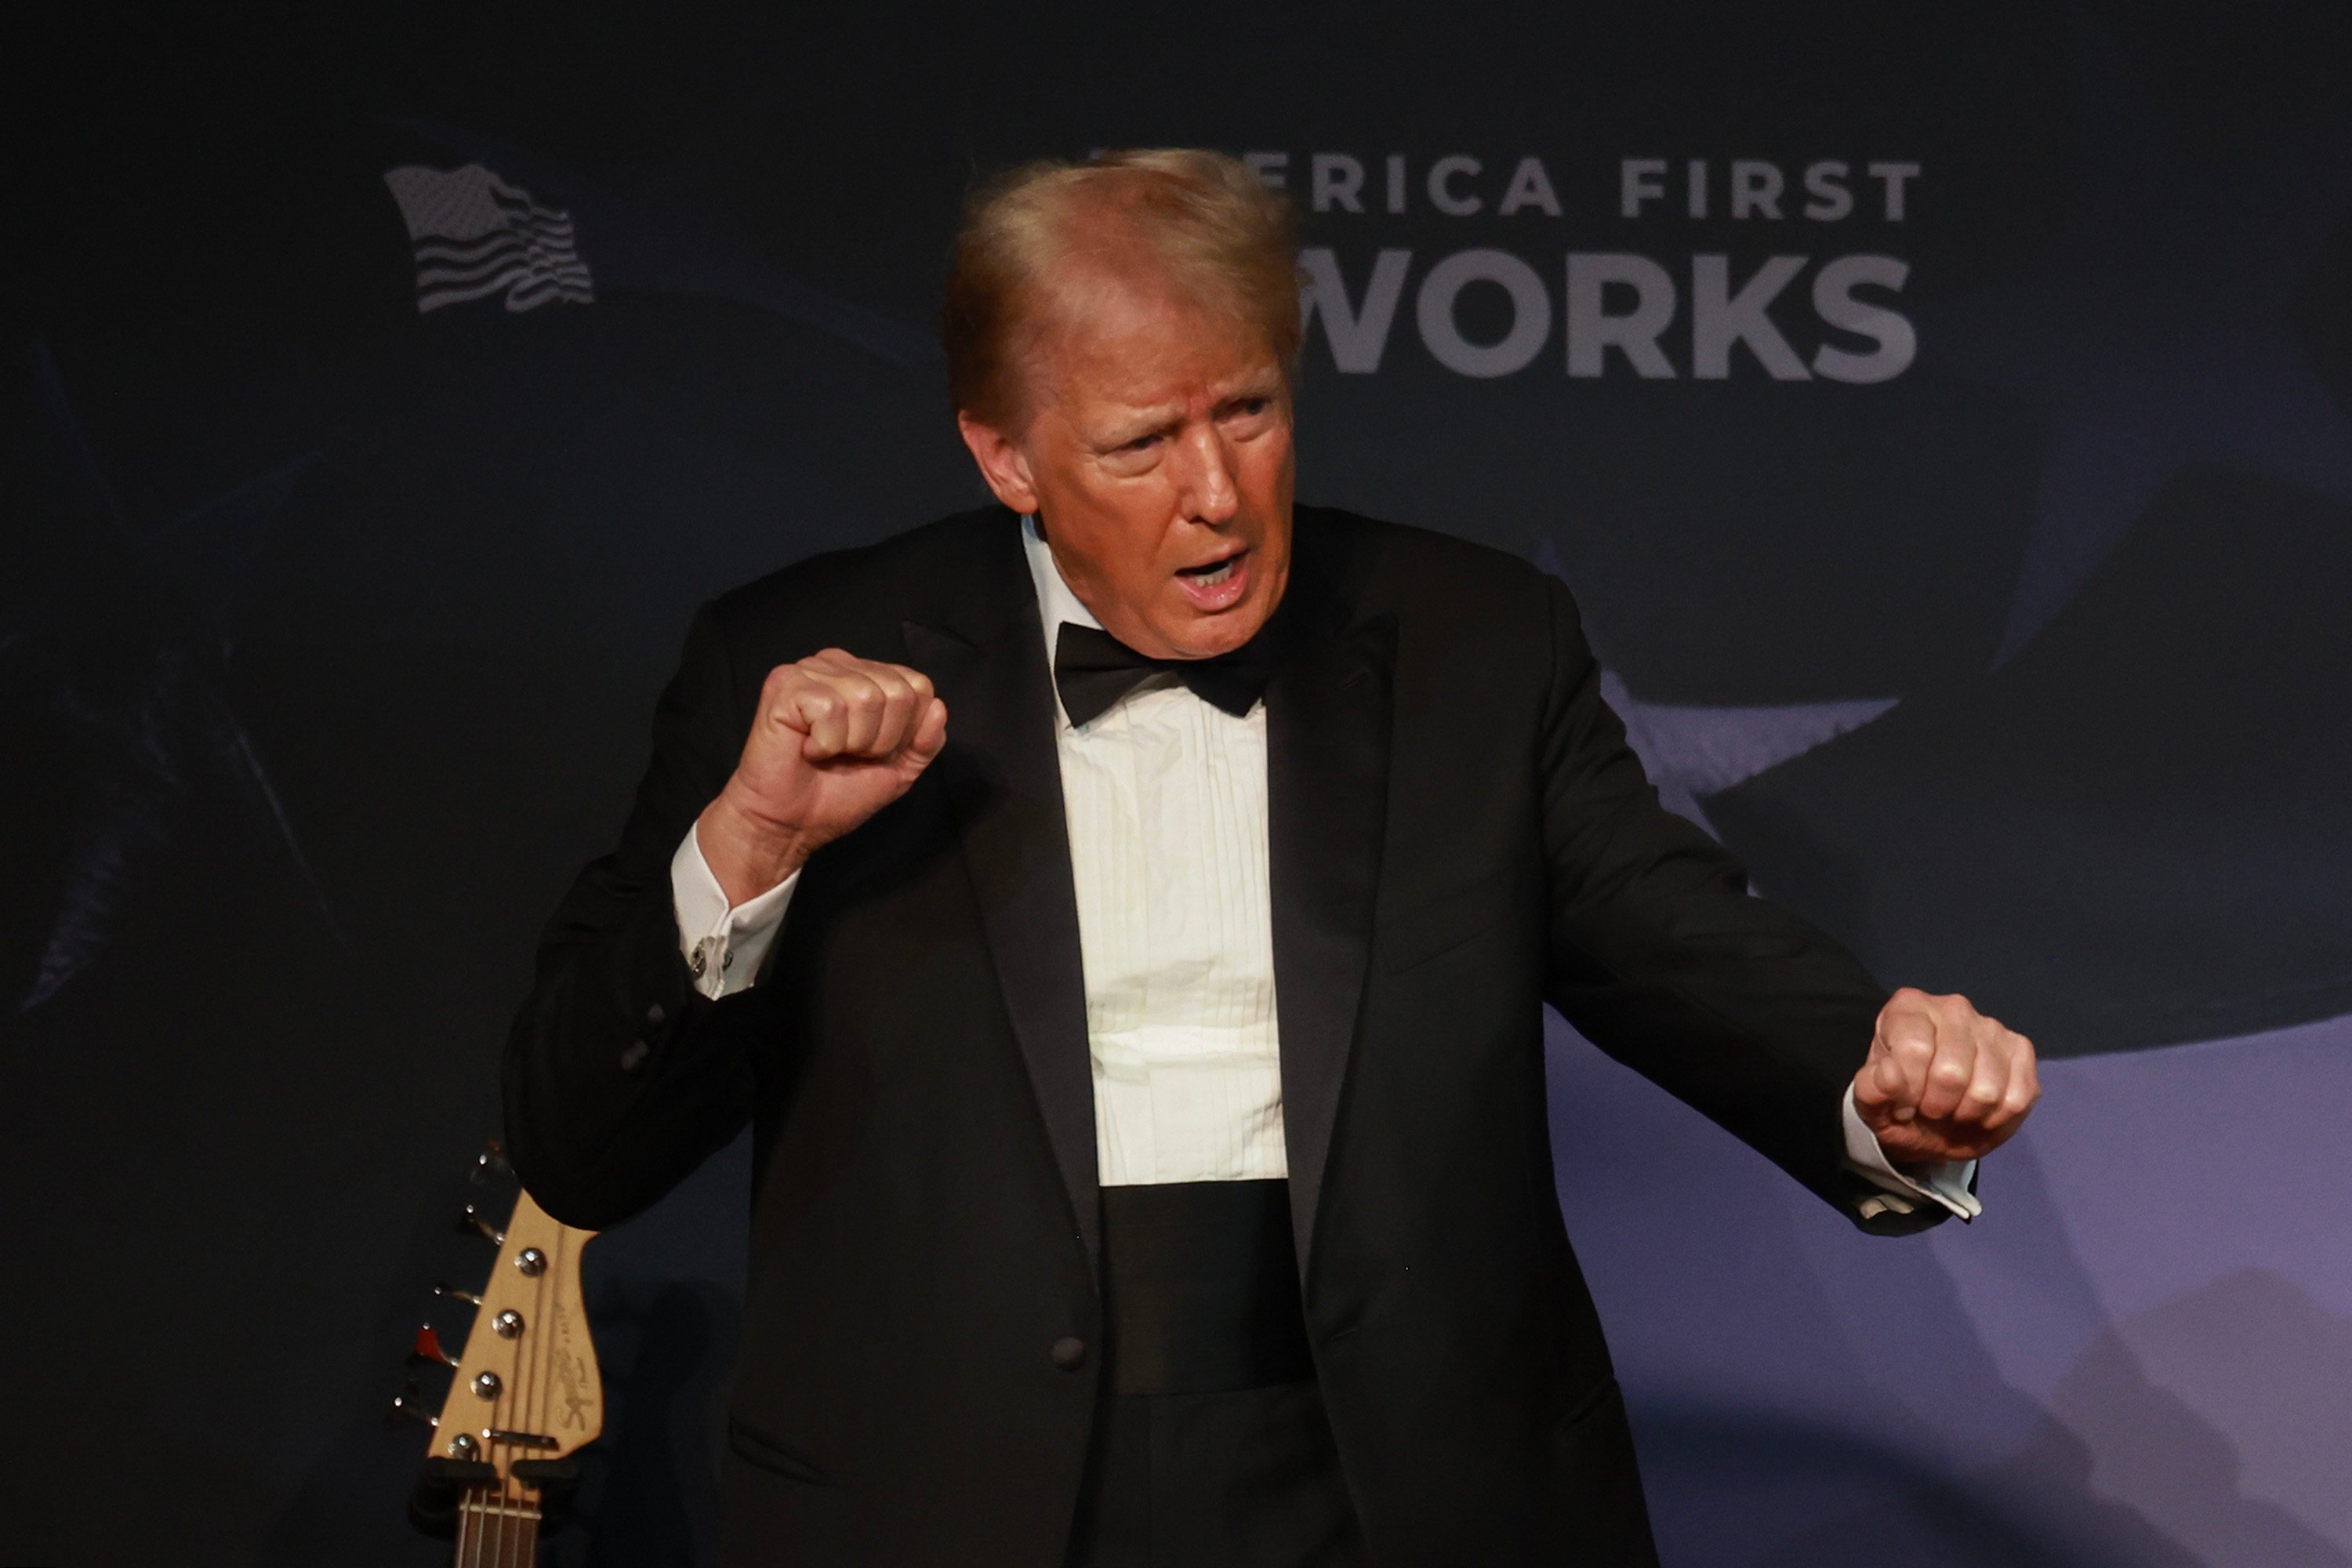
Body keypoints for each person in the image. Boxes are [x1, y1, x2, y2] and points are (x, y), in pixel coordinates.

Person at [503, 149, 2038, 1567]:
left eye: (1246, 410)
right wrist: (751, 841)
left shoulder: (1473, 643)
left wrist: (1874, 1082)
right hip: (950, 1493)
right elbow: (581, 1140)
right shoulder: (790, 664)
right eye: (1140, 442)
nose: (1217, 494)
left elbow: (1672, 929)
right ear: (1006, 454)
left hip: (1403, 1478)